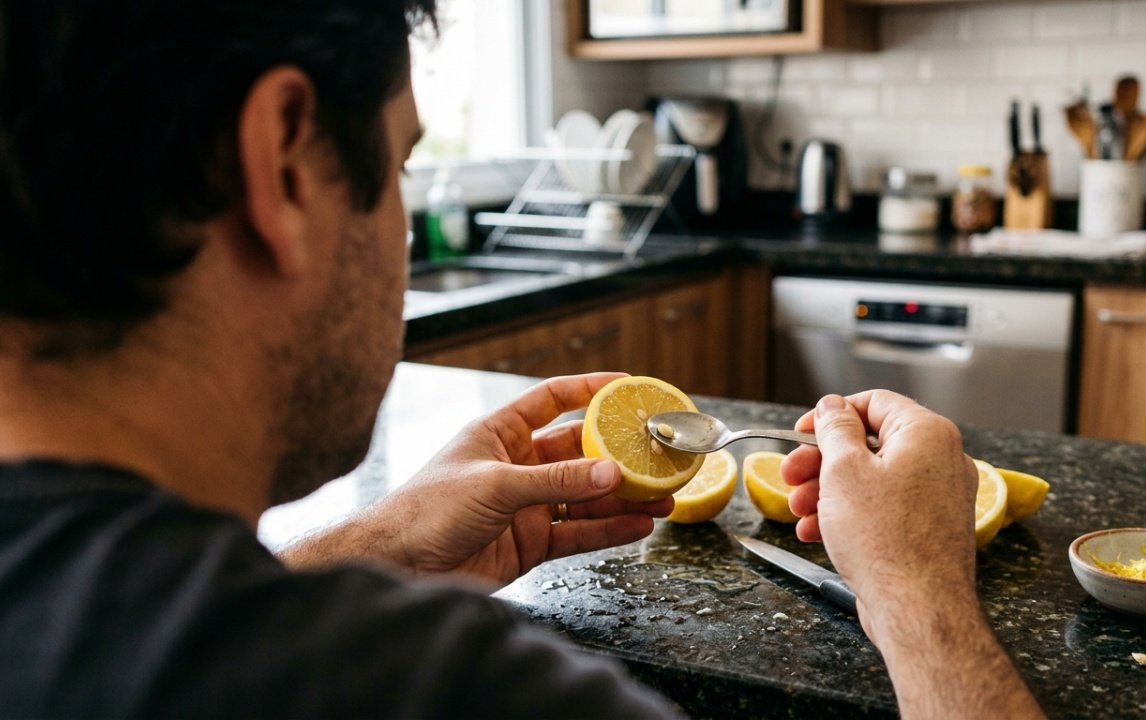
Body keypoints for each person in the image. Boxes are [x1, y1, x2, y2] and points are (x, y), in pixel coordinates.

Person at [0, 1, 1041, 718]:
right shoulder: (446, 694)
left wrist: (378, 547)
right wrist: (915, 592)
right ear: (282, 164)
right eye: (402, 161)